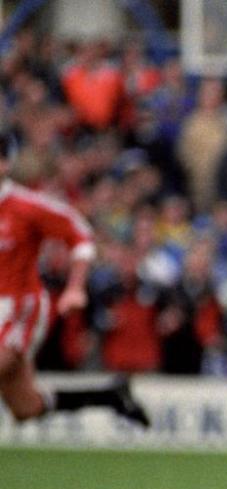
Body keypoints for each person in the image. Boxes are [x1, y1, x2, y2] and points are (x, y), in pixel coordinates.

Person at [0, 137, 149, 427]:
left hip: (19, 306)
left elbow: (80, 235)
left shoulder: (27, 207)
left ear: (5, 163)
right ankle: (109, 396)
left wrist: (76, 286)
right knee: (26, 406)